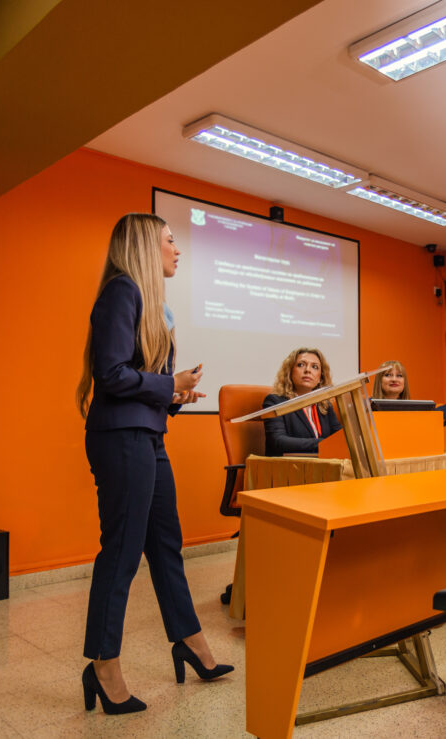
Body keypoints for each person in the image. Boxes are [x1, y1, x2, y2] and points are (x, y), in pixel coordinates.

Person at [75, 213, 232, 715]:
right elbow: (112, 374)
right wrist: (171, 385)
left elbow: (140, 380)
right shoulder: (122, 291)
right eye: (169, 240)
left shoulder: (155, 306)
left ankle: (190, 641)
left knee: (167, 545)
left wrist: (177, 395)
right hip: (121, 438)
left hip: (147, 434)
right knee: (121, 552)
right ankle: (103, 665)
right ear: (146, 245)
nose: (177, 248)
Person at [263, 348, 342, 455]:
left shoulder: (324, 405)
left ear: (320, 378)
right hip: (287, 467)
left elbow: (339, 436)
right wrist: (323, 443)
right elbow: (278, 441)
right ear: (289, 372)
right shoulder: (275, 401)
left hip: (321, 465)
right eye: (301, 365)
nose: (308, 370)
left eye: (315, 367)